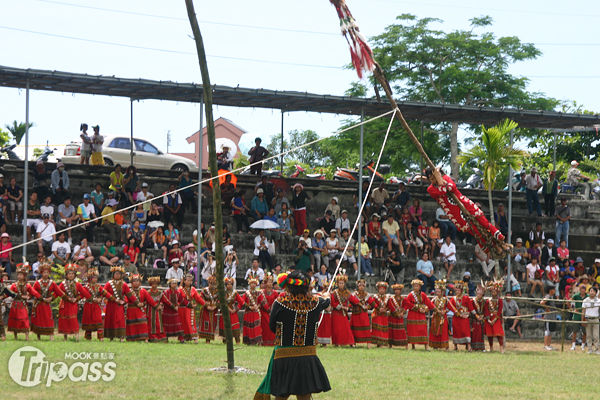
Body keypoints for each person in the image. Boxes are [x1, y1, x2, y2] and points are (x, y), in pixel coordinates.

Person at [254, 270, 331, 400]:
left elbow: (272, 326)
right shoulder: (315, 303)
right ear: (307, 286)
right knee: (304, 396)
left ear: (288, 286)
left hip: (283, 356)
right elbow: (326, 301)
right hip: (307, 357)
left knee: (281, 395)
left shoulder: (280, 302)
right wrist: (327, 295)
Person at [426, 168, 506, 253]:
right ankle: (491, 247)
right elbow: (443, 191)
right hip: (454, 212)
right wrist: (439, 178)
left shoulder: (445, 177)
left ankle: (501, 240)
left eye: (436, 177)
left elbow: (452, 188)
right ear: (428, 180)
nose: (434, 180)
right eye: (432, 178)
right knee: (475, 230)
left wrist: (441, 178)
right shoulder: (430, 189)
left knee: (484, 222)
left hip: (464, 203)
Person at [31, 260, 65, 341]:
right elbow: (33, 292)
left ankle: (51, 336)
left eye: (47, 272)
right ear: (41, 273)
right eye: (44, 272)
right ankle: (38, 336)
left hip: (47, 304)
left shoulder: (52, 283)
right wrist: (42, 298)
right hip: (39, 303)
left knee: (48, 319)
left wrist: (52, 298)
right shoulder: (37, 283)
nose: (46, 274)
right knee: (39, 319)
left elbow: (58, 292)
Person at [8, 263, 41, 340]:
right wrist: (2, 296)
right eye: (18, 275)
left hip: (23, 304)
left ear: (24, 276)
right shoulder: (14, 285)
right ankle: (15, 336)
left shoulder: (28, 285)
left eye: (21, 275)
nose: (19, 276)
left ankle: (27, 336)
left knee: (24, 319)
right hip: (15, 304)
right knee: (14, 319)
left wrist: (41, 297)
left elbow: (34, 293)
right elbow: (9, 293)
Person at [103, 266, 135, 342]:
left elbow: (129, 295)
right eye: (115, 273)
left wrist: (126, 301)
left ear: (121, 275)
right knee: (111, 319)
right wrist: (114, 299)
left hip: (120, 305)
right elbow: (104, 292)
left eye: (119, 274)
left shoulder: (124, 284)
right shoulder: (108, 284)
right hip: (111, 305)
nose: (117, 275)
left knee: (120, 319)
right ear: (113, 275)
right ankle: (111, 336)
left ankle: (121, 337)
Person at [403, 279, 435, 350]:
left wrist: (426, 310)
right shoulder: (410, 295)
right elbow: (407, 304)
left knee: (423, 329)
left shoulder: (423, 294)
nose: (416, 288)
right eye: (415, 286)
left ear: (420, 287)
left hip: (421, 314)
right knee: (412, 329)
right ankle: (412, 345)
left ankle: (426, 345)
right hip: (412, 314)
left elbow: (429, 303)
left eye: (417, 286)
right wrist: (403, 312)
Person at [82, 268, 112, 341]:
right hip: (88, 306)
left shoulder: (98, 287)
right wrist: (92, 299)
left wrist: (113, 299)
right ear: (90, 278)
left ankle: (100, 337)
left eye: (96, 278)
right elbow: (82, 296)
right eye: (94, 278)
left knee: (98, 320)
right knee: (88, 320)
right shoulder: (85, 287)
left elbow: (106, 294)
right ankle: (88, 337)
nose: (95, 279)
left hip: (96, 306)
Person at [330, 272, 358, 346]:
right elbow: (333, 303)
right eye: (340, 283)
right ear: (337, 284)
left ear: (344, 284)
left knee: (346, 328)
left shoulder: (347, 293)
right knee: (337, 329)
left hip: (343, 313)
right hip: (336, 313)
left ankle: (350, 342)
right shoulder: (335, 293)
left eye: (342, 283)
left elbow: (355, 301)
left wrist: (348, 306)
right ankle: (337, 343)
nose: (341, 285)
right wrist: (342, 307)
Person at [178, 274, 205, 343]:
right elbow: (178, 299)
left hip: (190, 309)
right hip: (182, 309)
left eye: (191, 281)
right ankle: (182, 338)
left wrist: (204, 304)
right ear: (184, 281)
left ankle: (195, 338)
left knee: (192, 323)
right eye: (188, 280)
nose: (190, 282)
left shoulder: (193, 289)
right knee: (183, 323)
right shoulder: (180, 290)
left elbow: (198, 298)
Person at [448, 281, 473, 350]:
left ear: (461, 291)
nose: (457, 292)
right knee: (456, 331)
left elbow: (471, 308)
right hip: (456, 317)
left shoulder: (466, 298)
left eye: (458, 290)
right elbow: (449, 306)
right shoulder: (453, 299)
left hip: (464, 317)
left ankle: (469, 346)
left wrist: (468, 314)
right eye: (456, 291)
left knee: (466, 331)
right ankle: (455, 346)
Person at [349, 279, 374, 347]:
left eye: (363, 286)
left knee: (365, 328)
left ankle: (368, 343)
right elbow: (351, 303)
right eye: (360, 286)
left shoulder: (366, 295)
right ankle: (353, 342)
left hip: (363, 314)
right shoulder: (354, 295)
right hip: (356, 313)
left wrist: (367, 307)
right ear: (358, 286)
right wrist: (348, 307)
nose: (361, 287)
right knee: (355, 329)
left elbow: (372, 303)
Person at [242, 273, 265, 345]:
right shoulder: (246, 293)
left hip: (255, 312)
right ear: (249, 284)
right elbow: (242, 303)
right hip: (248, 312)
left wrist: (258, 306)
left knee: (257, 327)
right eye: (252, 283)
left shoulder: (259, 293)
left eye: (254, 283)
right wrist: (249, 307)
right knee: (248, 327)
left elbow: (262, 302)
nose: (253, 285)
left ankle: (258, 341)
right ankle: (249, 341)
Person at [163, 278, 188, 343]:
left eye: (175, 284)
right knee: (166, 326)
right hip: (167, 311)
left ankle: (181, 339)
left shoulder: (178, 292)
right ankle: (165, 338)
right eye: (173, 283)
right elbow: (165, 301)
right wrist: (173, 306)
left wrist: (190, 305)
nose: (174, 285)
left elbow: (182, 300)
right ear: (170, 284)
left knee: (178, 325)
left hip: (175, 312)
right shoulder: (166, 292)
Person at [220, 277, 244, 344]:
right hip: (225, 312)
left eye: (231, 284)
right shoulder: (223, 293)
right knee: (225, 325)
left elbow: (241, 302)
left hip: (233, 312)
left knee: (235, 325)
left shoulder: (235, 293)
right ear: (225, 285)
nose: (229, 286)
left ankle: (238, 341)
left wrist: (236, 309)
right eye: (228, 284)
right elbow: (220, 302)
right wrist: (228, 308)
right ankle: (225, 341)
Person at [484, 279, 505, 353]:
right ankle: (491, 347)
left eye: (494, 292)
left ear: (497, 292)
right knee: (489, 334)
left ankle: (501, 348)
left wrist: (495, 319)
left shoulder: (500, 301)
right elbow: (486, 310)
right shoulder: (488, 301)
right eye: (492, 292)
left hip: (496, 318)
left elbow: (499, 311)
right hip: (489, 318)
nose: (493, 293)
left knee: (498, 333)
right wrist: (488, 319)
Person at [429, 280, 451, 350]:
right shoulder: (434, 299)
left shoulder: (446, 299)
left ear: (442, 292)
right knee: (434, 330)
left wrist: (444, 311)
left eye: (439, 292)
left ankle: (445, 345)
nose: (437, 293)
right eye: (436, 291)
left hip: (442, 317)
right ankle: (435, 345)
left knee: (443, 331)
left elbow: (450, 308)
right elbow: (430, 306)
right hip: (435, 317)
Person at [369, 281, 390, 348]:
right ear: (378, 289)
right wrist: (378, 308)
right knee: (377, 328)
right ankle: (377, 342)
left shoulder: (387, 297)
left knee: (383, 328)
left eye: (383, 289)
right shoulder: (375, 297)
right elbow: (372, 303)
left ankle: (382, 342)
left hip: (383, 315)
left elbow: (389, 305)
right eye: (380, 289)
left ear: (385, 290)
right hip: (377, 314)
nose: (381, 290)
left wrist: (385, 309)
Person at [387, 283, 408, 348]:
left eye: (398, 290)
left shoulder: (403, 299)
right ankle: (390, 344)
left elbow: (405, 306)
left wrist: (402, 313)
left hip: (400, 316)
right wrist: (397, 314)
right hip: (392, 316)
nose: (397, 291)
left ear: (400, 290)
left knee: (401, 330)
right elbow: (391, 306)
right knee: (391, 330)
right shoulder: (391, 299)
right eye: (395, 290)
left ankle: (405, 345)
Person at [199, 276, 218, 343]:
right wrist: (206, 305)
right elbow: (200, 298)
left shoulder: (217, 291)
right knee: (207, 323)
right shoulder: (205, 290)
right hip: (206, 310)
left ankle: (209, 338)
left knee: (213, 324)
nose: (212, 286)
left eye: (213, 284)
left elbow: (220, 300)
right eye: (210, 284)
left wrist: (215, 306)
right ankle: (207, 339)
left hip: (214, 310)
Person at [260, 274, 278, 346]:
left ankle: (272, 342)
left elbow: (277, 301)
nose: (270, 284)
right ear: (265, 283)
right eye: (269, 282)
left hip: (273, 312)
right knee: (265, 327)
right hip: (264, 312)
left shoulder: (275, 293)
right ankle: (264, 342)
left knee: (272, 326)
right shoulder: (261, 292)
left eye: (271, 282)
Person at [582, 286, 600, 354]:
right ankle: (590, 349)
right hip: (588, 319)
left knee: (596, 336)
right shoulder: (586, 300)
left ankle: (597, 349)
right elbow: (583, 311)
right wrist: (582, 319)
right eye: (591, 291)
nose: (592, 293)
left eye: (593, 291)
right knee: (588, 335)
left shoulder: (598, 300)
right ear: (589, 292)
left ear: (596, 293)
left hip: (595, 319)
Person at [541, 285, 558, 351]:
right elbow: (542, 302)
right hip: (548, 317)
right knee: (547, 331)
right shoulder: (548, 296)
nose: (555, 291)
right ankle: (545, 345)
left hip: (553, 317)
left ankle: (548, 344)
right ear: (550, 290)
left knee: (551, 331)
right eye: (554, 289)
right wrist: (547, 309)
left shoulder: (552, 297)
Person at [470, 285, 486, 351]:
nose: (478, 295)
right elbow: (471, 310)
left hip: (481, 319)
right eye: (478, 294)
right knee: (474, 333)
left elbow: (485, 310)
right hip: (474, 319)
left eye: (480, 294)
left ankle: (480, 347)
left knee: (480, 333)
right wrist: (476, 316)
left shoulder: (484, 302)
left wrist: (482, 316)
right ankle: (473, 347)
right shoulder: (473, 301)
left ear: (482, 295)